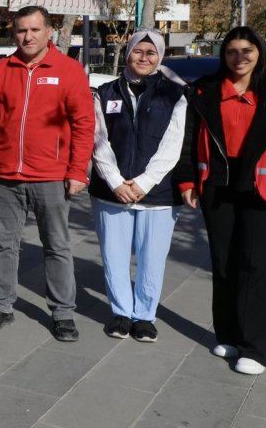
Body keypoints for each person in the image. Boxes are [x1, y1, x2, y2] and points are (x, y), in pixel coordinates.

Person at [174, 26, 266, 375]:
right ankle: (229, 335)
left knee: (256, 265)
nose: (239, 58)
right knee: (223, 262)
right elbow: (187, 140)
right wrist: (186, 180)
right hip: (216, 187)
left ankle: (254, 348)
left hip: (262, 190)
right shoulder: (205, 90)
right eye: (232, 51)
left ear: (260, 52)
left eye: (247, 50)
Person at [0, 5, 94, 342]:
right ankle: (0, 306)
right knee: (3, 244)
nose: (27, 36)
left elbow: (84, 124)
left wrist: (77, 171)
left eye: (34, 30)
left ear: (49, 32)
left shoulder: (68, 70)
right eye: (21, 31)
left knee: (56, 246)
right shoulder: (1, 70)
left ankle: (62, 313)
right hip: (7, 175)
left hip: (51, 176)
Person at [90, 29, 186, 342]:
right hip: (111, 191)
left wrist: (144, 182)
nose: (143, 58)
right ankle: (120, 312)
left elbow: (174, 144)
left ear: (160, 57)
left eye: (151, 53)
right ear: (128, 52)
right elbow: (98, 139)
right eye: (138, 52)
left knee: (152, 257)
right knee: (114, 255)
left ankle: (145, 316)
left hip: (157, 193)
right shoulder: (104, 92)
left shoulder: (175, 94)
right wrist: (116, 181)